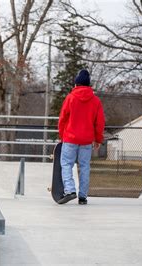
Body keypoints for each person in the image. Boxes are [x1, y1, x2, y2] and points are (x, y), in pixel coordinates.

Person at [57, 69, 105, 205]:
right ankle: (83, 196)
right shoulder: (95, 101)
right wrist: (98, 139)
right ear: (89, 85)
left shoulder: (70, 98)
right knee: (84, 167)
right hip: (86, 140)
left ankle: (70, 190)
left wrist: (62, 136)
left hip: (70, 138)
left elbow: (62, 119)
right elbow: (99, 122)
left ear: (76, 84)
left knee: (66, 164)